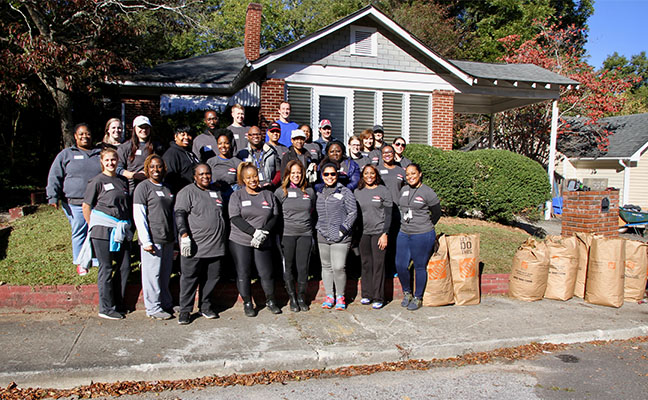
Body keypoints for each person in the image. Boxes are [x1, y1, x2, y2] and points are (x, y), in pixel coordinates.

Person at [81, 148, 132, 320]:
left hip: (120, 229)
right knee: (106, 267)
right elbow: (86, 206)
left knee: (125, 266)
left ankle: (118, 302)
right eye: (107, 160)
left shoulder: (122, 180)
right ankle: (106, 307)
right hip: (102, 230)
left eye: (113, 160)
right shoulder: (97, 181)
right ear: (102, 162)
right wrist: (93, 225)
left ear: (117, 161)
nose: (111, 163)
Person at [174, 164, 227, 325]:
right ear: (195, 177)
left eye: (208, 173)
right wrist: (184, 234)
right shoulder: (187, 192)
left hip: (216, 246)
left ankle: (205, 306)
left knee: (212, 277)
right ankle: (185, 310)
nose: (205, 176)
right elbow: (180, 214)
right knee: (189, 278)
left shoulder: (216, 192)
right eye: (201, 174)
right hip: (195, 245)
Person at [46, 123, 102, 276]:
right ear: (75, 137)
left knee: (96, 231)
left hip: (97, 202)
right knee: (79, 231)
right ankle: (79, 261)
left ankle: (94, 258)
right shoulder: (66, 154)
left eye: (88, 134)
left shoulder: (99, 153)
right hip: (74, 202)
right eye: (81, 134)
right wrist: (52, 196)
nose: (85, 137)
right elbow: (54, 176)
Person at [228, 162, 281, 317]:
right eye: (248, 177)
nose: (253, 180)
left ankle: (271, 301)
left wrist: (264, 232)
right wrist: (253, 232)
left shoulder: (268, 195)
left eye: (255, 176)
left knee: (266, 273)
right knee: (243, 272)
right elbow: (235, 217)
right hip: (240, 240)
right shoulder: (236, 196)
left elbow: (275, 216)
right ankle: (248, 303)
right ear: (243, 180)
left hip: (263, 239)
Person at [133, 155, 175, 320]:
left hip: (168, 238)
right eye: (152, 167)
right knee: (152, 275)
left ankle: (165, 303)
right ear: (147, 169)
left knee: (165, 274)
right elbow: (139, 215)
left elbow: (171, 214)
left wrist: (175, 240)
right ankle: (153, 307)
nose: (156, 170)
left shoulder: (167, 188)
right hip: (152, 239)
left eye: (158, 167)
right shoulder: (143, 188)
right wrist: (146, 240)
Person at [395, 163, 442, 311]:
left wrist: (427, 225)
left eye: (413, 173)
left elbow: (437, 213)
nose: (410, 177)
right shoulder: (404, 190)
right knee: (401, 265)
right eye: (407, 174)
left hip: (422, 234)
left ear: (420, 174)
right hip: (404, 232)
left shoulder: (427, 192)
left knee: (419, 266)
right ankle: (407, 292)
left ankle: (418, 296)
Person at [274, 160, 316, 312]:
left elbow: (312, 212)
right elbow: (275, 215)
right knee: (288, 267)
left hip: (305, 234)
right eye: (293, 173)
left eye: (299, 172)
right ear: (288, 174)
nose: (296, 175)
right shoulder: (280, 192)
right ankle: (292, 297)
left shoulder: (309, 192)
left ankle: (301, 297)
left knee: (303, 268)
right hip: (287, 235)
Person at [316, 162, 357, 310]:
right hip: (322, 235)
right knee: (326, 266)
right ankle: (329, 295)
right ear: (322, 176)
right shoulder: (319, 192)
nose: (329, 177)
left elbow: (353, 212)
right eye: (326, 174)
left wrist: (343, 229)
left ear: (337, 175)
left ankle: (340, 296)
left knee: (339, 267)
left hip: (341, 236)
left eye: (332, 174)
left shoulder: (345, 191)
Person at [354, 164, 393, 309]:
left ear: (376, 175)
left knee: (378, 265)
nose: (369, 176)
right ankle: (366, 294)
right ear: (362, 175)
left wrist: (385, 233)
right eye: (366, 173)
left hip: (379, 233)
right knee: (365, 264)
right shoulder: (357, 192)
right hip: (363, 233)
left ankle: (378, 297)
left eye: (372, 173)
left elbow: (388, 214)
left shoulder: (383, 191)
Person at [117, 115, 164, 193]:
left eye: (146, 127)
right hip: (132, 188)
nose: (144, 130)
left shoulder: (157, 147)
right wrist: (133, 175)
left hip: (152, 188)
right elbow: (117, 168)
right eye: (141, 127)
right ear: (134, 128)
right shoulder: (125, 147)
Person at [162, 125, 200, 194]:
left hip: (195, 193)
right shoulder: (172, 153)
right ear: (175, 137)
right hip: (181, 194)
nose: (186, 137)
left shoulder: (190, 153)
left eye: (188, 135)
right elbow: (169, 178)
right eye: (183, 135)